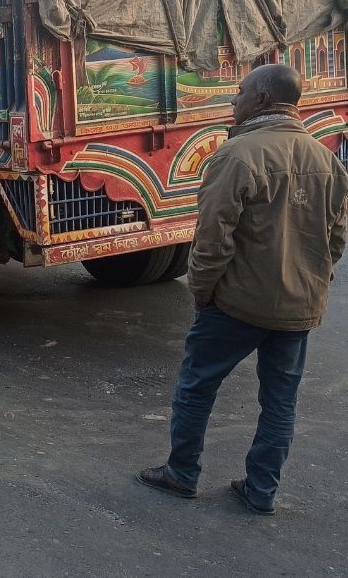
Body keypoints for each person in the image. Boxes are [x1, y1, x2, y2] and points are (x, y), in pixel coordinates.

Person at [137, 64, 348, 516]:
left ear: (264, 100)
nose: (234, 100)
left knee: (196, 387)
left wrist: (201, 291)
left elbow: (212, 240)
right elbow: (336, 237)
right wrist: (314, 283)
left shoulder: (237, 155)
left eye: (241, 92)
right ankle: (261, 490)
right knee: (280, 401)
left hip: (235, 305)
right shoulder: (325, 158)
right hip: (298, 307)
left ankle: (181, 474)